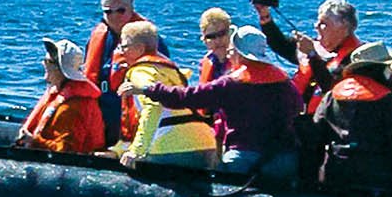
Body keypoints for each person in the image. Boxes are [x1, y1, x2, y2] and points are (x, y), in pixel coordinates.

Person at [128, 19, 301, 177]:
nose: (229, 55)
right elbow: (298, 107)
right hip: (284, 159)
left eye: (232, 51)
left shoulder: (231, 84)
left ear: (240, 54)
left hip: (244, 158)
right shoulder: (285, 83)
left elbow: (185, 98)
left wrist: (149, 89)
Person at [310, 43, 392, 197]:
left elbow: (314, 139)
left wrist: (311, 181)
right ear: (380, 70)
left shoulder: (331, 97)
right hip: (380, 180)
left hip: (337, 176)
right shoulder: (388, 102)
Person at [108, 20, 217, 163]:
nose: (121, 52)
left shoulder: (140, 72)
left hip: (171, 147)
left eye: (124, 47)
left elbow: (153, 106)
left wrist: (136, 151)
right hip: (205, 142)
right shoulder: (168, 70)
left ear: (140, 49)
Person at [251, 0, 362, 110]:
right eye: (318, 21)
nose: (316, 26)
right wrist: (265, 16)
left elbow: (330, 86)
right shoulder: (315, 46)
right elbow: (280, 45)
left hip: (325, 118)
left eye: (323, 23)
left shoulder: (357, 58)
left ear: (343, 27)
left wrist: (312, 54)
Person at [18, 39, 108, 153]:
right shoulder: (59, 93)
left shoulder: (72, 107)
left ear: (59, 69)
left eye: (48, 61)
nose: (43, 63)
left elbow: (66, 150)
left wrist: (35, 141)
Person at [83, 0, 145, 140]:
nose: (114, 16)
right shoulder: (98, 36)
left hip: (133, 112)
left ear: (131, 8)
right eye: (108, 11)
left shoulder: (147, 38)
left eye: (120, 10)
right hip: (102, 110)